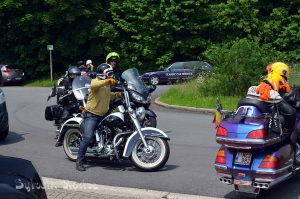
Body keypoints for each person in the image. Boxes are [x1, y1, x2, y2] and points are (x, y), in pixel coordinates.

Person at [76, 63, 123, 171]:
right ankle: (79, 160)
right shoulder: (96, 81)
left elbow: (107, 95)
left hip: (103, 115)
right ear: (103, 73)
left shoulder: (106, 85)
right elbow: (94, 86)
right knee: (87, 137)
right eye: (108, 73)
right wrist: (107, 81)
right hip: (91, 115)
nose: (111, 76)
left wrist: (118, 94)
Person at [256, 62, 296, 136]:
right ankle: (287, 131)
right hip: (269, 94)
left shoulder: (269, 75)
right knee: (292, 112)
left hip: (258, 91)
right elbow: (287, 90)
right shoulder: (280, 78)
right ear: (284, 71)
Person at [55, 66, 81, 147]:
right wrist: (63, 93)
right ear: (69, 75)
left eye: (77, 75)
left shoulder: (80, 81)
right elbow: (60, 91)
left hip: (79, 103)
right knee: (65, 115)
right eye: (73, 75)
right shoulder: (65, 82)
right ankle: (60, 136)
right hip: (68, 103)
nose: (75, 76)